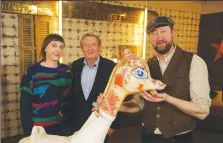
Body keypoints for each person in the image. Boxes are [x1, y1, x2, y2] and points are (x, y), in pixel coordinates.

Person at [110, 16, 211, 143]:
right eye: (154, 33)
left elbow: (202, 111)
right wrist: (111, 103)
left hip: (178, 139)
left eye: (163, 31)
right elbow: (138, 104)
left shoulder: (194, 62)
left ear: (173, 32)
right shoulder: (146, 65)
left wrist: (168, 99)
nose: (159, 37)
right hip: (148, 136)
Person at [20, 34, 73, 136]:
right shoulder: (32, 72)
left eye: (61, 47)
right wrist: (28, 130)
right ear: (45, 48)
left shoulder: (66, 70)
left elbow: (71, 97)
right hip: (40, 128)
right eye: (54, 45)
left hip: (63, 126)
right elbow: (25, 103)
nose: (58, 49)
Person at [70, 33, 120, 143]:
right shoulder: (75, 66)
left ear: (99, 47)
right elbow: (72, 94)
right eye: (86, 45)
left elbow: (117, 96)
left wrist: (113, 124)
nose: (90, 48)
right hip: (77, 120)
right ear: (82, 49)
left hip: (100, 120)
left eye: (93, 44)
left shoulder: (111, 67)